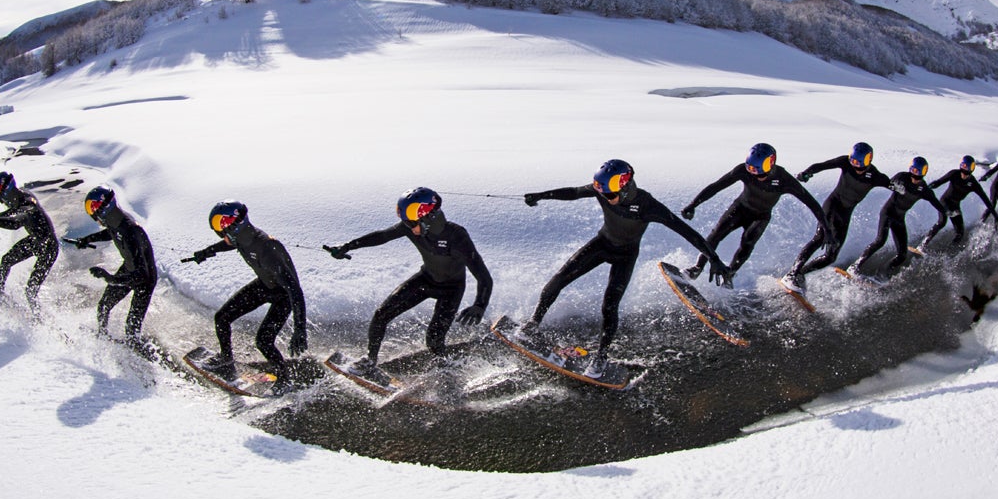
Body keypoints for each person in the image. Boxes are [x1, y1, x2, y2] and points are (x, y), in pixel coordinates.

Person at [522, 159, 728, 377]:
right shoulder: (604, 190)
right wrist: (541, 195)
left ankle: (600, 359)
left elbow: (685, 231)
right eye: (603, 195)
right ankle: (533, 324)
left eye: (611, 195)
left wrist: (713, 258)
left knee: (609, 306)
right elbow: (573, 192)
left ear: (627, 187)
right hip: (601, 243)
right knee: (560, 278)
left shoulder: (647, 205)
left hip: (625, 256)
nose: (607, 199)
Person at [324, 187, 492, 377]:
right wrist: (347, 246)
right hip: (426, 279)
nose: (410, 228)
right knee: (381, 315)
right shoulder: (412, 227)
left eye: (412, 222)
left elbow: (483, 276)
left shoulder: (457, 236)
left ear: (429, 218)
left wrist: (479, 305)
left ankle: (448, 370)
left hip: (451, 290)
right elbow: (382, 236)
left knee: (434, 340)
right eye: (406, 222)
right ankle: (370, 361)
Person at [181, 201, 307, 387]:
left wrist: (300, 329)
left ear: (235, 223)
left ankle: (284, 379)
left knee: (264, 341)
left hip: (284, 297)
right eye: (216, 225)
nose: (219, 230)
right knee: (222, 318)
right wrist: (207, 252)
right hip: (265, 285)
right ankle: (225, 359)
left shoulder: (267, 248)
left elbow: (295, 290)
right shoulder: (242, 236)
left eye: (220, 224)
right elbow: (231, 244)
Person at [680, 143, 832, 288]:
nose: (755, 174)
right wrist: (693, 204)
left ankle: (730, 274)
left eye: (758, 170)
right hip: (739, 209)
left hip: (760, 217)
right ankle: (697, 268)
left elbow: (812, 203)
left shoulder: (784, 179)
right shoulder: (742, 171)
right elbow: (717, 186)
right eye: (751, 169)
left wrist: (826, 229)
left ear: (771, 163)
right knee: (715, 235)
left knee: (747, 244)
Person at [780, 143, 892, 293]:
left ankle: (801, 274)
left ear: (869, 160)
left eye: (859, 162)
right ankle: (792, 273)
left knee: (831, 256)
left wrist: (900, 187)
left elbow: (893, 185)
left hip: (845, 213)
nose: (855, 165)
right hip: (832, 206)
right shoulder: (845, 162)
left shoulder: (875, 176)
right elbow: (822, 165)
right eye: (853, 161)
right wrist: (807, 173)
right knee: (820, 238)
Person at [67, 186, 157, 345]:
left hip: (145, 279)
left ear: (102, 207)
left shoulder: (130, 230)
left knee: (131, 329)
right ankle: (103, 338)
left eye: (92, 207)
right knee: (103, 306)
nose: (92, 213)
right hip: (129, 268)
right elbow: (111, 232)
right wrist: (87, 239)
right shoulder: (115, 221)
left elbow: (140, 275)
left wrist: (109, 277)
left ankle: (141, 353)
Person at [0, 171, 58, 310]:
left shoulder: (28, 205)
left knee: (31, 290)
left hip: (49, 246)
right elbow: (9, 215)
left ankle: (38, 320)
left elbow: (14, 223)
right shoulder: (20, 197)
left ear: (8, 189)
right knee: (6, 260)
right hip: (35, 241)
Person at [847, 157, 946, 277]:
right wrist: (894, 185)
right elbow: (888, 183)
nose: (915, 175)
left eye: (919, 172)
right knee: (880, 241)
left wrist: (946, 213)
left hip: (899, 219)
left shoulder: (924, 189)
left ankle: (882, 274)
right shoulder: (902, 177)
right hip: (888, 213)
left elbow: (937, 204)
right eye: (913, 170)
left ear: (924, 172)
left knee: (902, 255)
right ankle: (854, 267)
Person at [920, 156, 998, 248]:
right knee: (942, 222)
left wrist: (997, 218)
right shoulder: (954, 174)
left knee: (960, 233)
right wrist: (928, 187)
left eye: (967, 168)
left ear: (972, 169)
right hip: (945, 202)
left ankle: (949, 251)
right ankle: (922, 245)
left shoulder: (973, 183)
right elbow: (938, 182)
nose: (964, 172)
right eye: (963, 166)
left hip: (955, 206)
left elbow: (986, 200)